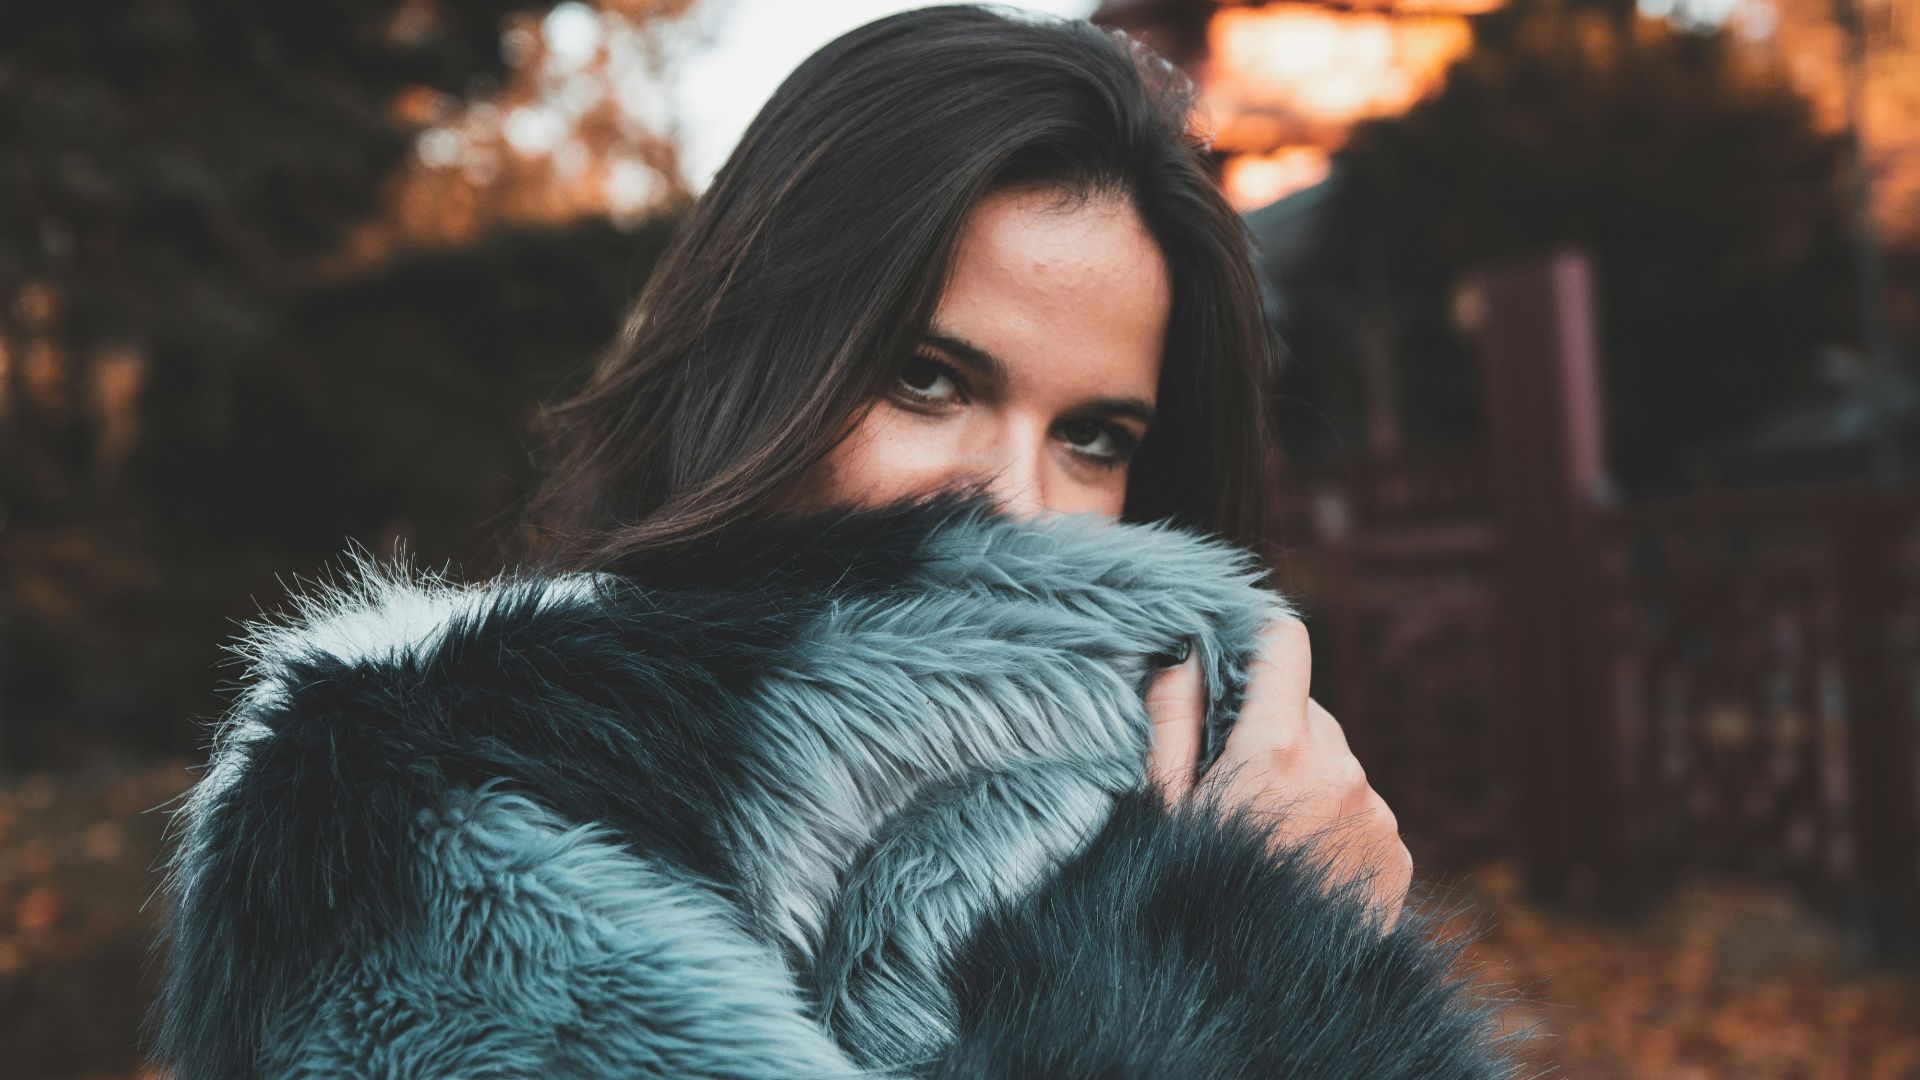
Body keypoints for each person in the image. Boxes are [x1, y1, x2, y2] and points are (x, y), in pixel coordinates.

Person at [153, 7, 1510, 1077]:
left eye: (1095, 436)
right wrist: (1249, 957)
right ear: (761, 366)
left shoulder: (1175, 795)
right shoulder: (414, 803)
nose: (1016, 502)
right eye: (930, 380)